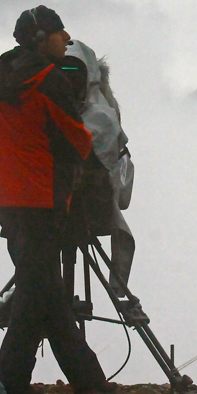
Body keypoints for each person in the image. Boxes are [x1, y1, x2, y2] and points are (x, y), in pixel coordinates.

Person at [0, 6, 117, 394]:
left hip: (4, 199)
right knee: (41, 290)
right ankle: (59, 384)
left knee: (39, 287)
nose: (67, 40)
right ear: (42, 38)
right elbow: (76, 140)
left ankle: (57, 382)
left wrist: (3, 141)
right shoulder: (50, 80)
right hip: (43, 198)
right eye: (61, 34)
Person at [61, 40, 136, 294]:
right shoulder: (105, 115)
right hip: (83, 213)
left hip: (53, 216)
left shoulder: (101, 115)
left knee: (37, 282)